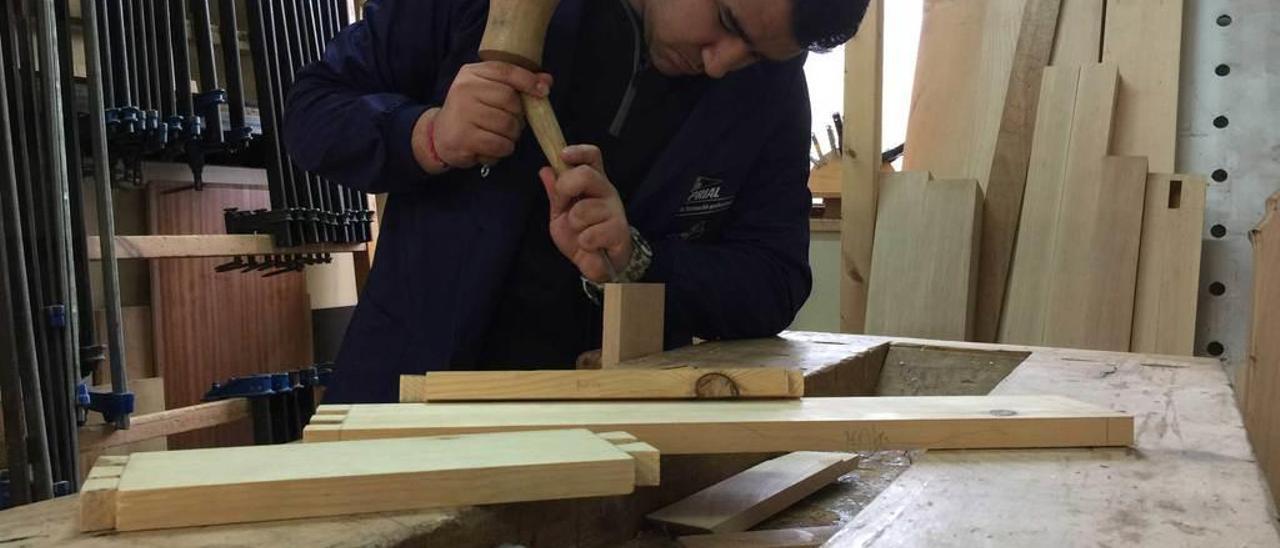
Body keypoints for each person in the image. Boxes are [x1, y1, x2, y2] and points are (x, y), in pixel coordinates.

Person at [284, 0, 870, 403]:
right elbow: (312, 112)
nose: (721, 62)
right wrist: (425, 135)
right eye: (723, 20)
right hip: (412, 385)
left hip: (612, 425)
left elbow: (774, 281)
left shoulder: (770, 92)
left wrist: (637, 260)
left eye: (759, 53)